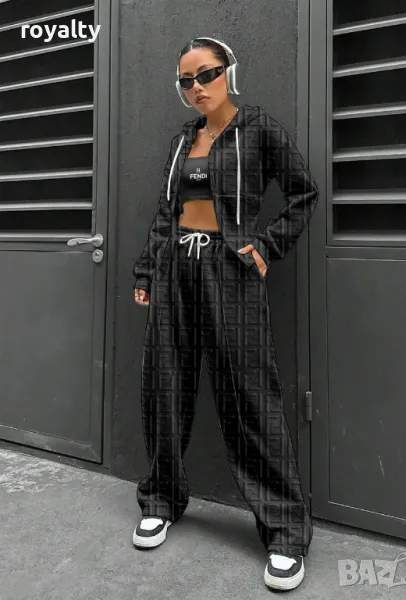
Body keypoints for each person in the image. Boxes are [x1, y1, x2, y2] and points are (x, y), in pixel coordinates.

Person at [132, 36, 319, 591]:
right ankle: (161, 498)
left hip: (230, 272)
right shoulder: (182, 140)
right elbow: (166, 213)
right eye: (186, 80)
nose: (197, 87)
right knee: (165, 387)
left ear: (228, 72)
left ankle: (284, 531)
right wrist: (147, 271)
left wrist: (267, 245)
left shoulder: (258, 129)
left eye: (207, 74)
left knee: (250, 396)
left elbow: (303, 193)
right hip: (176, 269)